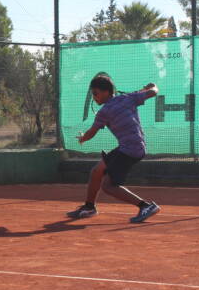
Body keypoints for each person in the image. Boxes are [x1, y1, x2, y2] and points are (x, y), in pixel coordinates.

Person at [67, 74, 160, 223]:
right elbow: (154, 91)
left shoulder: (104, 112)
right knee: (97, 171)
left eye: (96, 93)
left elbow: (92, 132)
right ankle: (89, 207)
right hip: (134, 146)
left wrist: (83, 138)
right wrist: (152, 86)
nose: (94, 97)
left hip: (129, 151)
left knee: (109, 186)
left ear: (106, 92)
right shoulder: (129, 98)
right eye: (93, 94)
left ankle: (146, 206)